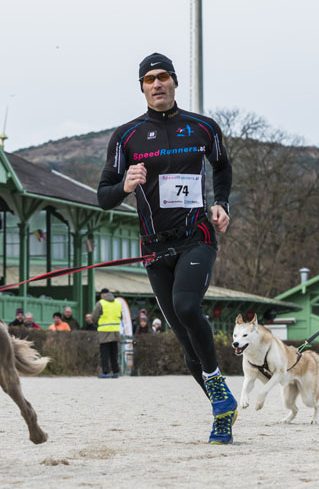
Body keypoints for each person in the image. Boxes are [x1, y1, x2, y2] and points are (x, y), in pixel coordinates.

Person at [97, 52, 235, 443]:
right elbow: (102, 196)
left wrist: (222, 203)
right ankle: (220, 410)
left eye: (163, 77)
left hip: (197, 237)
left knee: (187, 306)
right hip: (155, 248)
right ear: (141, 87)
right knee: (185, 338)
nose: (156, 84)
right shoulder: (126, 137)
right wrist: (125, 185)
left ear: (174, 81)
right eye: (148, 80)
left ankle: (219, 389)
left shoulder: (203, 128)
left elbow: (222, 166)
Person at [91, 288, 122, 378]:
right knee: (114, 352)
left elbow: (94, 316)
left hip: (104, 331)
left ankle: (106, 372)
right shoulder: (118, 303)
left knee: (105, 353)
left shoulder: (101, 303)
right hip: (115, 330)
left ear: (102, 295)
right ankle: (116, 371)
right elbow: (121, 316)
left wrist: (95, 323)